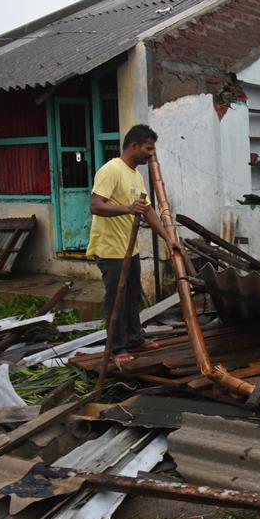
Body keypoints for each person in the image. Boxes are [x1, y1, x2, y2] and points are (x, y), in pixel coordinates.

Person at [87, 124, 180, 367]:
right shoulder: (111, 170)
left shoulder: (137, 175)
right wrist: (128, 209)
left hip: (130, 249)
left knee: (132, 297)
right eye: (148, 148)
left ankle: (134, 338)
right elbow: (96, 205)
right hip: (110, 249)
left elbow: (147, 210)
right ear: (134, 146)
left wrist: (168, 239)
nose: (151, 154)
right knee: (116, 299)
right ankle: (118, 348)